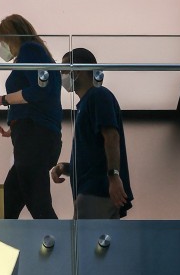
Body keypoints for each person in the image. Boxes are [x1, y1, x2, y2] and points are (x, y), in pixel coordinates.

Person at [0, 14, 61, 219]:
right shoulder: (39, 53)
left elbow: (37, 91)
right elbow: (38, 98)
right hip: (34, 134)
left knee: (38, 201)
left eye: (3, 41)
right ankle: (8, 240)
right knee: (11, 195)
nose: (2, 47)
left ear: (13, 37)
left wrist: (2, 100)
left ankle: (59, 245)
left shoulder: (29, 50)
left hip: (34, 137)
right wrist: (15, 126)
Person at [50, 48, 134, 219]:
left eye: (64, 69)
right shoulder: (85, 104)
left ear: (78, 70)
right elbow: (92, 155)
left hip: (97, 193)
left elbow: (111, 137)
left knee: (88, 244)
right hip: (89, 193)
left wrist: (114, 177)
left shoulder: (98, 95)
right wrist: (65, 168)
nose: (61, 75)